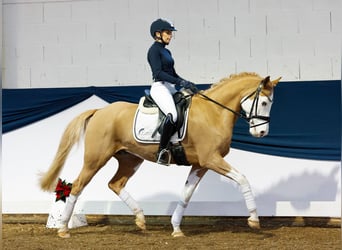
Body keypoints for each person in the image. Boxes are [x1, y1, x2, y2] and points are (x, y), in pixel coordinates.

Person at [147, 18, 198, 165]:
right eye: (167, 33)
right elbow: (158, 73)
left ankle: (179, 142)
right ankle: (162, 150)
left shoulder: (166, 51)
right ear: (158, 34)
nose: (170, 36)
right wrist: (179, 82)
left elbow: (173, 73)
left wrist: (186, 82)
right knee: (173, 115)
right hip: (160, 87)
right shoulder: (153, 51)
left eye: (170, 33)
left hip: (170, 86)